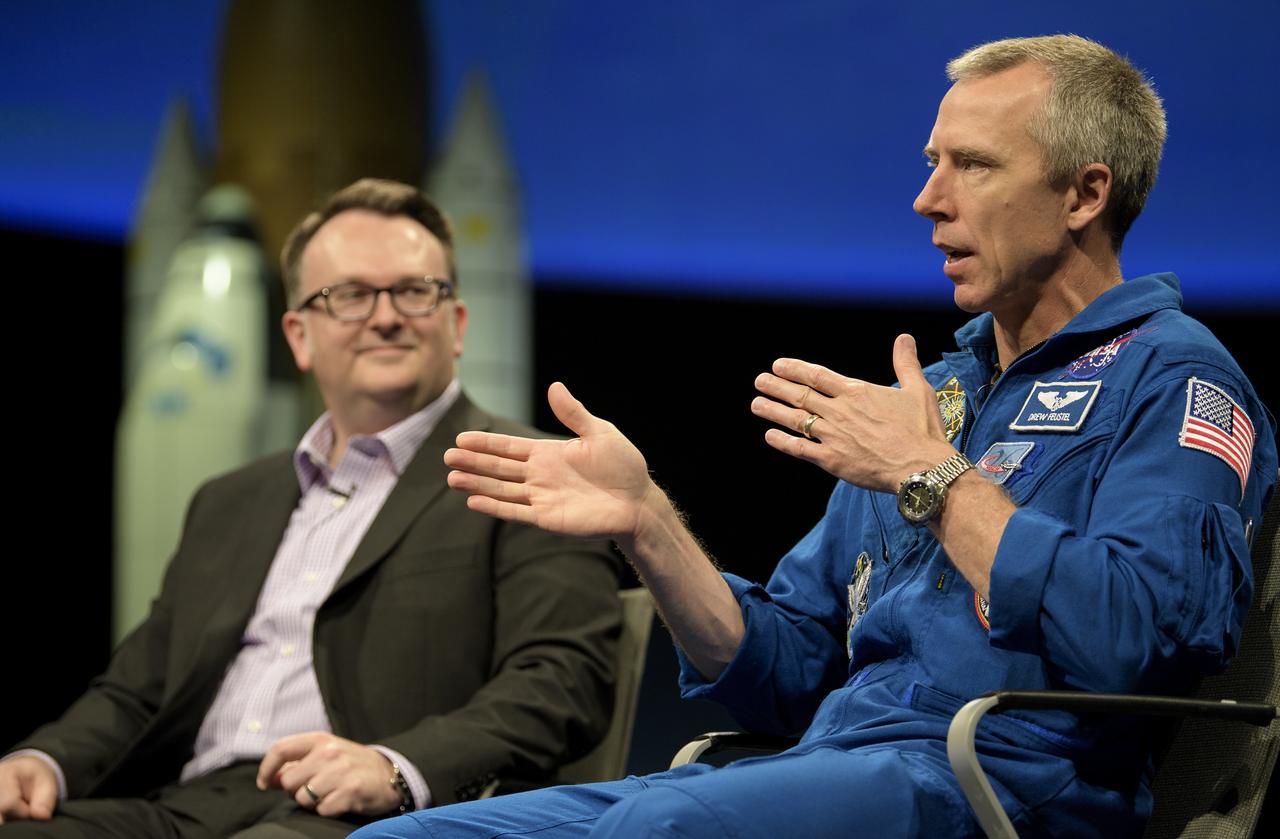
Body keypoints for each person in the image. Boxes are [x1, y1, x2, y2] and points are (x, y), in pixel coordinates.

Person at [352, 35, 1277, 839]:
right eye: (931, 162)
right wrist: (647, 524)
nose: (927, 199)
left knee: (658, 826)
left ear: (1084, 194)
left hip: (1005, 789)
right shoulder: (936, 393)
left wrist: (933, 477)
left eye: (973, 165)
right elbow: (785, 671)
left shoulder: (1174, 379)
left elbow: (1138, 635)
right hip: (830, 768)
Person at [0, 179, 621, 838]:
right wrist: (44, 760)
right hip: (184, 807)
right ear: (299, 334)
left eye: (413, 290)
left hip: (371, 813)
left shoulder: (528, 471)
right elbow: (138, 688)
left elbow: (559, 681)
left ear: (458, 322)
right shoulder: (229, 500)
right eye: (350, 295)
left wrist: (393, 766)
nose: (386, 316)